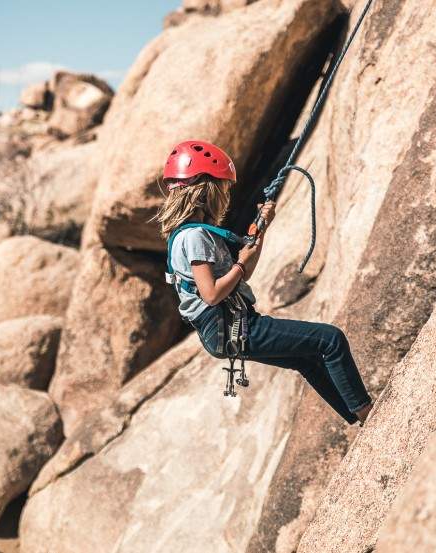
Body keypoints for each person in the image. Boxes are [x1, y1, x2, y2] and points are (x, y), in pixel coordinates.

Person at [153, 140, 373, 425]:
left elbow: (237, 277)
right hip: (227, 325)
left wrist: (261, 232)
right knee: (331, 340)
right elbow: (211, 294)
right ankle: (368, 413)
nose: (226, 193)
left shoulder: (195, 234)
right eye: (222, 186)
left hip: (227, 326)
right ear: (206, 189)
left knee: (306, 359)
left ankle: (356, 416)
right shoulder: (194, 236)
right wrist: (241, 264)